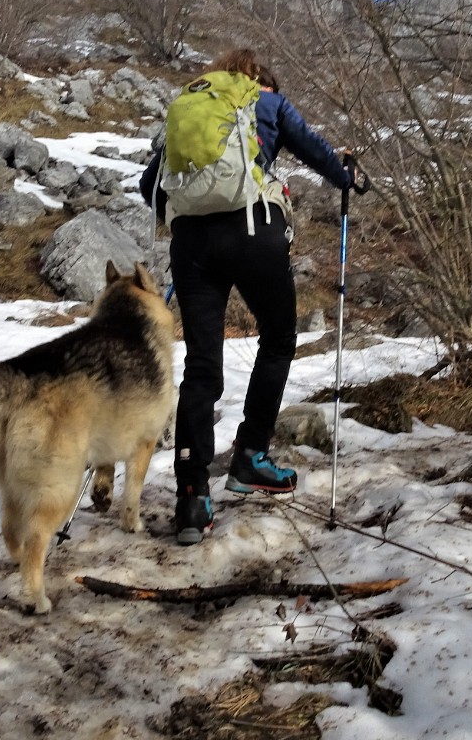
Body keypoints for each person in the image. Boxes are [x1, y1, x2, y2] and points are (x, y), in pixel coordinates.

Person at [139, 48, 354, 545]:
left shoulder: (191, 106)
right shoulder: (267, 101)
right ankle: (250, 456)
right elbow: (315, 148)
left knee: (201, 367)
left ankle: (192, 497)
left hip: (191, 242)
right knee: (278, 337)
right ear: (260, 79)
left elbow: (149, 184)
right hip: (253, 229)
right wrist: (346, 175)